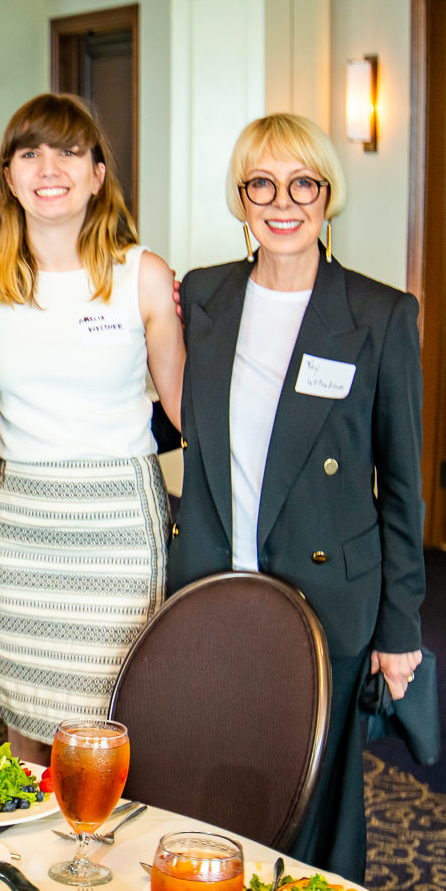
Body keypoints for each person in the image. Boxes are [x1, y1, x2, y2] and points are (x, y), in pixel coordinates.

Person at [168, 113, 424, 884]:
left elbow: (402, 485)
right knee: (215, 785)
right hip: (216, 585)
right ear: (240, 197)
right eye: (262, 184)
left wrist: (400, 628)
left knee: (315, 806)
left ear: (327, 194)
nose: (283, 203)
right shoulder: (204, 295)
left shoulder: (379, 314)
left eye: (303, 183)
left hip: (327, 598)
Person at [0, 94, 183, 765]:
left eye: (68, 151)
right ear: (9, 176)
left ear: (97, 175)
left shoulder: (142, 276)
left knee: (111, 722)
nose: (49, 168)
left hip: (117, 525)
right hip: (24, 523)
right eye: (30, 152)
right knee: (28, 725)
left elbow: (188, 410)